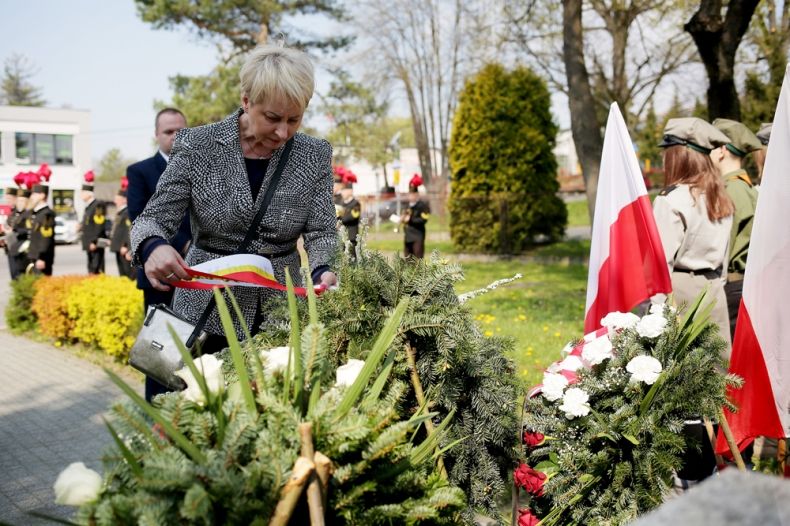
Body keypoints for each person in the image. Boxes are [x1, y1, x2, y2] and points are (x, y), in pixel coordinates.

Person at [130, 44, 338, 401]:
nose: (284, 132)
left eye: (295, 119)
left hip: (279, 317)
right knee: (201, 414)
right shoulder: (198, 144)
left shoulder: (314, 154)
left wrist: (323, 270)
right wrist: (154, 246)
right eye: (272, 117)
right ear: (246, 100)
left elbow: (321, 230)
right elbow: (153, 218)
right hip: (205, 314)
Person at [654, 117, 735, 491]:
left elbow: (659, 265)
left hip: (680, 295)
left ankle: (687, 480)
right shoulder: (721, 197)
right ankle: (708, 472)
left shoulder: (672, 202)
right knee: (709, 391)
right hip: (713, 296)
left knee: (678, 395)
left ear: (680, 155)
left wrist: (654, 318)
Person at [127, 108, 192, 308]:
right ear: (157, 135)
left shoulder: (201, 167)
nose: (175, 136)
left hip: (201, 267)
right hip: (159, 268)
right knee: (163, 335)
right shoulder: (140, 171)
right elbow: (139, 216)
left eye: (180, 131)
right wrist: (185, 243)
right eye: (168, 131)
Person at [711, 119, 762, 339]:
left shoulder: (731, 192)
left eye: (710, 147)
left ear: (721, 151)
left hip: (733, 286)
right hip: (748, 284)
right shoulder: (747, 187)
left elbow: (723, 247)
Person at [27, 176, 56, 275]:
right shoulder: (37, 213)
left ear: (42, 195)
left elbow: (46, 237)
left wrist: (42, 257)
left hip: (41, 258)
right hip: (34, 256)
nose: (32, 196)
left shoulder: (46, 214)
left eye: (35, 194)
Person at [80, 171, 108, 274]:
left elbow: (99, 225)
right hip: (89, 243)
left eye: (82, 192)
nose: (81, 194)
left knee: (97, 268)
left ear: (88, 193)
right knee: (91, 268)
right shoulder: (88, 207)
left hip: (95, 244)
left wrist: (93, 241)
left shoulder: (97, 205)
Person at [402, 174, 430, 258]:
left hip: (417, 236)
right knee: (408, 261)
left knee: (418, 261)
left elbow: (423, 220)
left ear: (417, 194)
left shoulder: (422, 205)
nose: (410, 196)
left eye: (413, 194)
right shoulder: (407, 205)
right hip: (408, 236)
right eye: (410, 194)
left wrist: (410, 219)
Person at [110, 184, 133, 278]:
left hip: (124, 249)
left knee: (127, 274)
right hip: (119, 248)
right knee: (122, 274)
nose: (115, 201)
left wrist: (127, 246)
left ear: (124, 199)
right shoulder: (121, 213)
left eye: (118, 199)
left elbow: (129, 230)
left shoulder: (127, 212)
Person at [10, 184, 32, 279]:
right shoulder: (17, 214)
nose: (19, 203)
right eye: (18, 200)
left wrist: (15, 231)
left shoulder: (28, 214)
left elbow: (29, 230)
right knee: (15, 274)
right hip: (14, 248)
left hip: (24, 250)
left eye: (22, 200)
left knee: (22, 275)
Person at [338, 173, 361, 253]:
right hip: (343, 236)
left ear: (350, 191)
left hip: (352, 236)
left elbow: (352, 217)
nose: (342, 193)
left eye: (344, 191)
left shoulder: (355, 204)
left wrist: (339, 217)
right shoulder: (342, 203)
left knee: (352, 260)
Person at [2, 187, 18, 278]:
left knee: (17, 275)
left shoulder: (19, 213)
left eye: (9, 199)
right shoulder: (12, 212)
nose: (7, 201)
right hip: (10, 248)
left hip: (16, 248)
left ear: (15, 198)